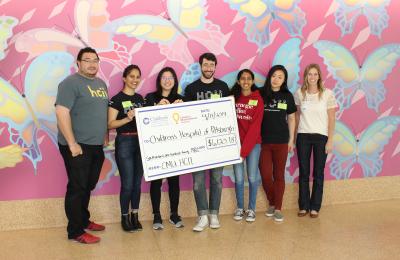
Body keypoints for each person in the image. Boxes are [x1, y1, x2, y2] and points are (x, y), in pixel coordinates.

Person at [56, 47, 108, 244]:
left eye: (95, 60)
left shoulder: (101, 84)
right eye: (87, 60)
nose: (92, 63)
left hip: (96, 145)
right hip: (77, 145)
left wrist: (104, 135)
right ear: (78, 63)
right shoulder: (70, 83)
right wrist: (72, 143)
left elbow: (101, 112)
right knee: (77, 187)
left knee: (88, 184)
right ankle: (75, 230)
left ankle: (83, 219)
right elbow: (61, 112)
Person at [184, 52, 230, 232]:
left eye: (212, 65)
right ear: (200, 66)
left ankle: (214, 214)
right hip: (197, 144)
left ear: (215, 67)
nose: (209, 68)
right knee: (198, 181)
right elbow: (185, 115)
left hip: (217, 142)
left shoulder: (223, 87)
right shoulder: (191, 89)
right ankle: (202, 215)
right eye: (205, 65)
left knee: (217, 179)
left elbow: (228, 114)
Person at [294, 64, 337, 218]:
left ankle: (315, 207)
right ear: (305, 76)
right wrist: (293, 139)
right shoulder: (299, 93)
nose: (312, 77)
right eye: (309, 74)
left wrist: (330, 141)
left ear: (319, 76)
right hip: (303, 136)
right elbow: (297, 117)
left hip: (321, 137)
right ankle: (303, 206)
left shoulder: (327, 94)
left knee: (318, 173)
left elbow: (332, 119)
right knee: (304, 172)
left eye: (315, 74)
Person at [145, 67, 184, 230]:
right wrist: (156, 107)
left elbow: (188, 123)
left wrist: (183, 108)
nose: (167, 80)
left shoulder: (181, 98)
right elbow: (144, 120)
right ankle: (156, 215)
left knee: (175, 181)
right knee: (156, 181)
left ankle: (174, 214)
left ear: (175, 81)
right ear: (159, 80)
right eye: (164, 77)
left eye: (171, 77)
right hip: (156, 147)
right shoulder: (150, 97)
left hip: (175, 147)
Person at [108, 65, 145, 231]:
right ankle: (124, 217)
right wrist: (127, 118)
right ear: (124, 78)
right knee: (128, 184)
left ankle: (134, 215)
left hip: (141, 143)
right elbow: (110, 124)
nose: (135, 80)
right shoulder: (116, 99)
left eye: (137, 77)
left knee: (137, 184)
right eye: (131, 76)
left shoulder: (141, 98)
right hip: (125, 142)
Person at [259, 65, 297, 222]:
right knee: (266, 175)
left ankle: (278, 208)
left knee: (279, 175)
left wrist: (291, 141)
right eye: (274, 76)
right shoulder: (260, 93)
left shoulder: (287, 96)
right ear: (269, 77)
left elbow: (292, 118)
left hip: (281, 141)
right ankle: (272, 202)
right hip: (264, 142)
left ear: (284, 80)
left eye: (280, 77)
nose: (276, 79)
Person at [230, 69, 263, 222]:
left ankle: (251, 209)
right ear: (238, 81)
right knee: (238, 178)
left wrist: (244, 152)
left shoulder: (257, 99)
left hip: (253, 144)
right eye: (242, 78)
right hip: (235, 144)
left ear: (253, 81)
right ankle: (239, 207)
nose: (245, 81)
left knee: (252, 177)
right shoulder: (232, 99)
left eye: (249, 78)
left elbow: (255, 128)